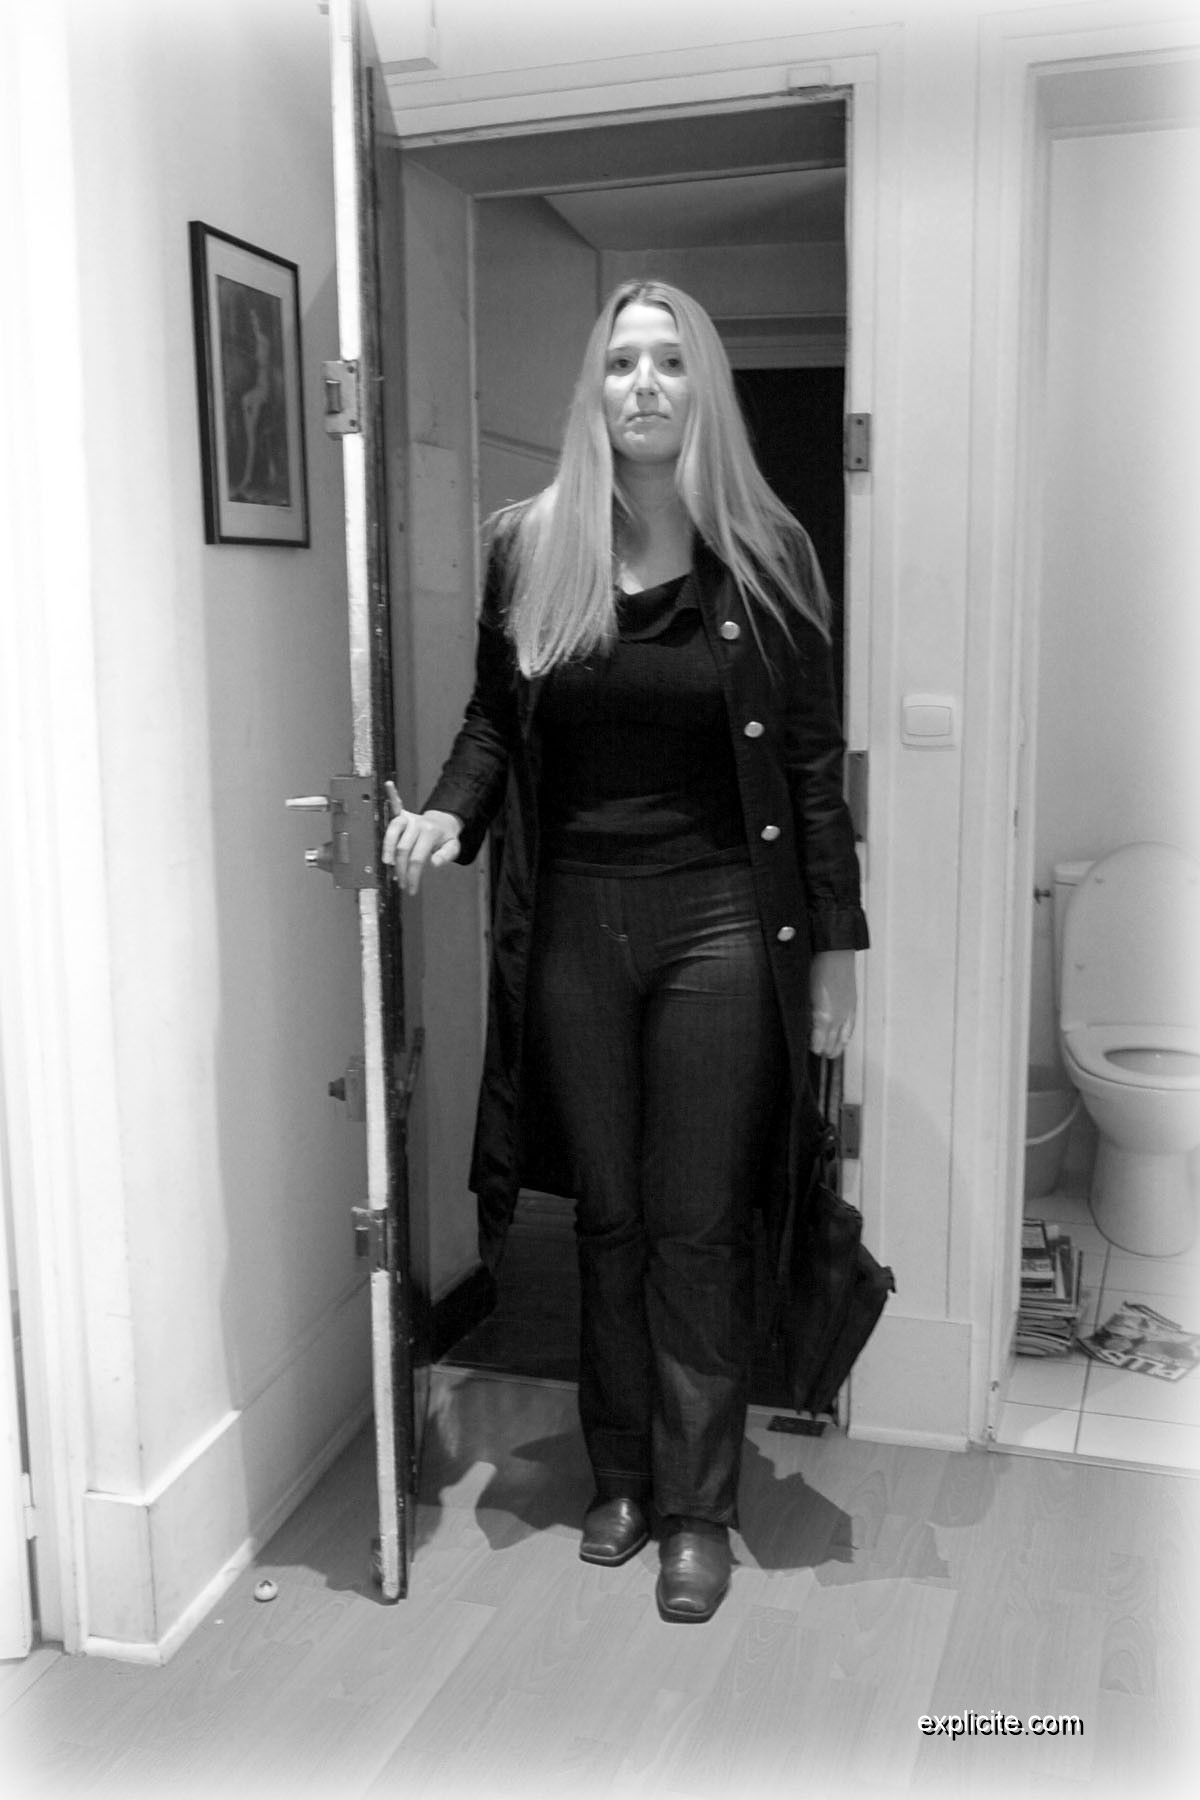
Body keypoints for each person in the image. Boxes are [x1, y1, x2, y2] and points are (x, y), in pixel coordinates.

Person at [383, 280, 868, 1624]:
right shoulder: (529, 545)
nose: (643, 384)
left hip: (724, 922)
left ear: (702, 385)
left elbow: (811, 768)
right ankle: (623, 1475)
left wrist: (836, 957)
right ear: (592, 389)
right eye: (620, 362)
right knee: (606, 1218)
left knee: (696, 1224)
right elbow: (494, 723)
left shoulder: (768, 550)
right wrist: (448, 815)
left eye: (669, 361)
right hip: (578, 923)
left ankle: (698, 1507)